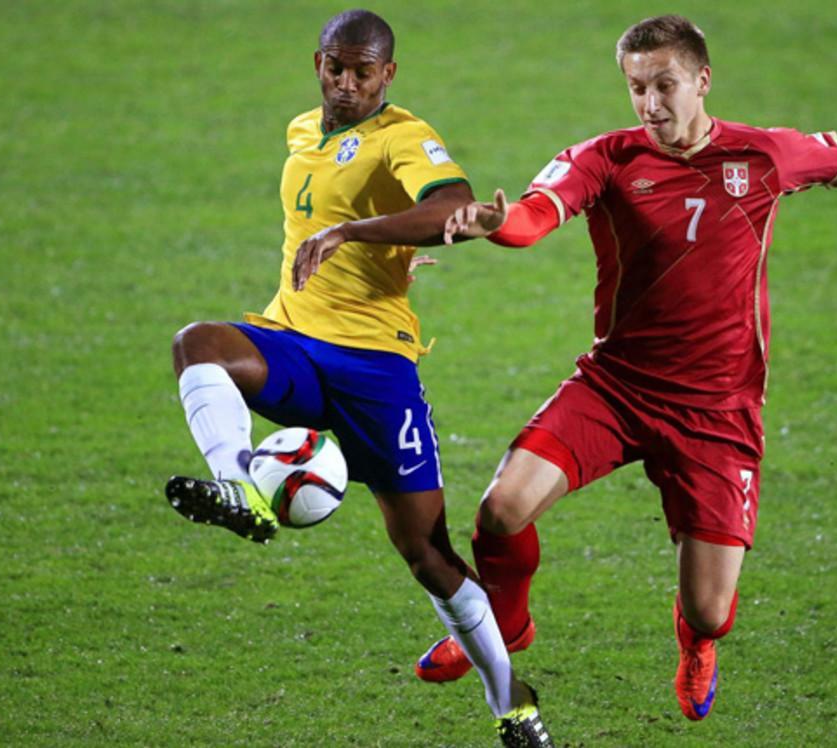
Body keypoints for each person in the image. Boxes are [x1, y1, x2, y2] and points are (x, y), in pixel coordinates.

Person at [410, 14, 837, 722]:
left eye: (665, 85)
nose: (651, 104)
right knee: (501, 511)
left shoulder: (764, 156)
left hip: (717, 410)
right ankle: (506, 626)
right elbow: (538, 216)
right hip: (617, 385)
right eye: (637, 88)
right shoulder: (606, 157)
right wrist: (494, 226)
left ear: (702, 80)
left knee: (712, 607)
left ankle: (697, 641)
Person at [163, 9, 553, 746]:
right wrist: (367, 245)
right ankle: (240, 487)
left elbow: (444, 203)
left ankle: (513, 702)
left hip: (377, 371)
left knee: (427, 555)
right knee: (200, 344)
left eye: (362, 71)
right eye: (335, 68)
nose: (346, 84)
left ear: (388, 74)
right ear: (317, 63)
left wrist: (360, 235)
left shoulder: (402, 136)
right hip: (295, 345)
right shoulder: (300, 131)